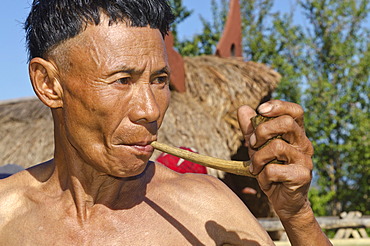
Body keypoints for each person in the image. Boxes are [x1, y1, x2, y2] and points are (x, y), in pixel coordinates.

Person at [0, 0, 332, 245]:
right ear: (48, 83)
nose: (150, 110)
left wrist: (297, 215)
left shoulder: (205, 208)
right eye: (122, 80)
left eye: (159, 79)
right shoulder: (6, 216)